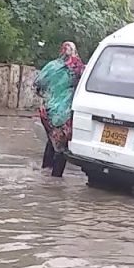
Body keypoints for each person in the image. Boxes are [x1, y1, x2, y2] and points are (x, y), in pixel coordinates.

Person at [35, 41, 85, 177]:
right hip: (65, 115)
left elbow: (37, 85)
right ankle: (55, 180)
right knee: (61, 148)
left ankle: (45, 172)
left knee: (51, 140)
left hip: (47, 112)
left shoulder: (51, 66)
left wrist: (49, 96)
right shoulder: (79, 68)